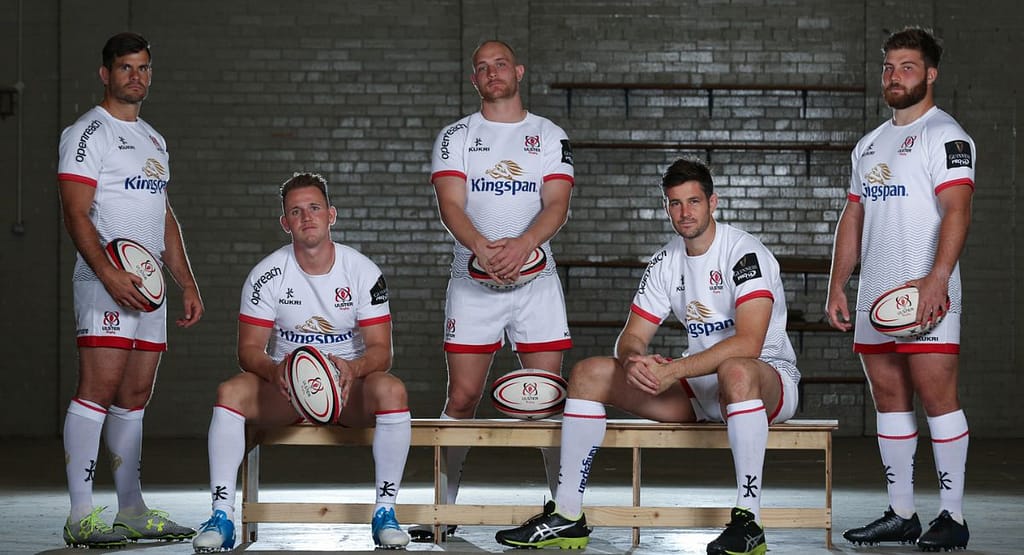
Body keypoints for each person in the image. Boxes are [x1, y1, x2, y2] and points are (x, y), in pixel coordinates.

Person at [496, 158, 800, 555]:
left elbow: (749, 343)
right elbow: (631, 337)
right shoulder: (665, 261)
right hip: (699, 384)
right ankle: (567, 516)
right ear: (666, 208)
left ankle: (749, 520)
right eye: (675, 203)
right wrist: (635, 360)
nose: (685, 212)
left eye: (693, 201)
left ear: (714, 203)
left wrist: (675, 369)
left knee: (736, 369)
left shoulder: (744, 254)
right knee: (589, 373)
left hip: (765, 383)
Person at [192, 173, 412, 552]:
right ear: (285, 223)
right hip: (286, 390)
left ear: (331, 215)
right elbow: (248, 350)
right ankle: (221, 515)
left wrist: (353, 368)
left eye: (314, 208)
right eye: (295, 212)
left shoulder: (362, 271)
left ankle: (385, 513)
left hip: (346, 388)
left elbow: (381, 351)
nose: (306, 217)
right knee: (229, 391)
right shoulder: (266, 275)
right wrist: (275, 371)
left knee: (392, 390)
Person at [419, 39, 575, 541]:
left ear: (519, 71)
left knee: (546, 399)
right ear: (474, 80)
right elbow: (451, 204)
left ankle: (564, 511)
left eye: (500, 64)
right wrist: (483, 248)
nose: (492, 73)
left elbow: (556, 204)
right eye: (482, 68)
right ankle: (443, 511)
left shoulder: (549, 135)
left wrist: (524, 243)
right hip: (472, 280)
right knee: (462, 396)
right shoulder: (455, 136)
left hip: (536, 282)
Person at [827, 26, 974, 552]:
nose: (895, 76)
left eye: (907, 67)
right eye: (888, 67)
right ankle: (902, 512)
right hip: (876, 296)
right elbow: (855, 213)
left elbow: (958, 209)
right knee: (889, 400)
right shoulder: (870, 143)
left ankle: (952, 518)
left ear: (931, 74)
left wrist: (938, 280)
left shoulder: (947, 135)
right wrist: (839, 284)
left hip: (926, 293)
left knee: (938, 400)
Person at [56, 32, 204, 548]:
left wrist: (184, 282)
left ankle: (131, 509)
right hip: (104, 285)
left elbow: (162, 218)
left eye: (143, 68)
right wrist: (107, 274)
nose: (135, 76)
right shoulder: (86, 133)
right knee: (97, 391)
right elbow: (75, 213)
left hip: (151, 289)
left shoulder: (154, 139)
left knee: (135, 396)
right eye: (125, 68)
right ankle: (80, 515)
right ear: (106, 74)